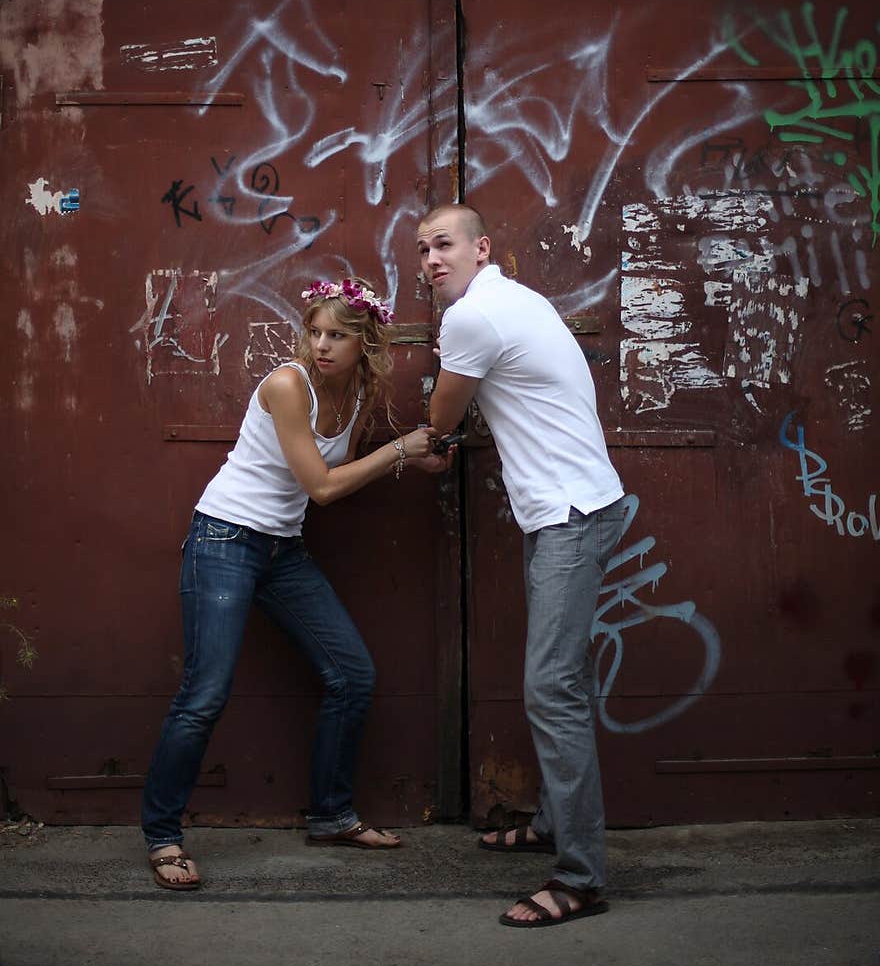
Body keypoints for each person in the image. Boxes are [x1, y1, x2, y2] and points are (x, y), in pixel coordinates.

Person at [141, 276, 442, 889]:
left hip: (282, 549)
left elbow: (339, 470)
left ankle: (331, 815)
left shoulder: (358, 392)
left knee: (351, 674)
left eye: (338, 335)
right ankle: (163, 836)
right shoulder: (286, 383)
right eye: (315, 332)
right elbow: (325, 488)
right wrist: (404, 450)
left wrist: (409, 457)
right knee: (205, 694)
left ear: (366, 345)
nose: (322, 345)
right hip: (225, 538)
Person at [417, 205, 626, 928]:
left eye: (444, 245)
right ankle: (552, 824)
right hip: (571, 510)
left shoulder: (473, 318)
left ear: (481, 247)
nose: (431, 260)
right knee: (557, 685)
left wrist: (426, 440)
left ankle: (580, 876)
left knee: (552, 691)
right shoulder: (515, 298)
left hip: (570, 516)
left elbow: (442, 421)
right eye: (423, 250)